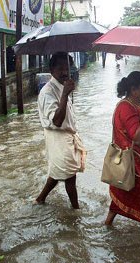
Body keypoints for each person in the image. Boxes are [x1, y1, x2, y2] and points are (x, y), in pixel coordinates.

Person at [104, 71, 140, 239]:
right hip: (134, 163)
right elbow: (138, 137)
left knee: (124, 192)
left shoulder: (136, 106)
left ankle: (108, 224)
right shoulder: (126, 107)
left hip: (139, 161)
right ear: (134, 90)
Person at [35, 52, 86, 209]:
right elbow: (56, 121)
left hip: (67, 135)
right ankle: (76, 210)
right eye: (61, 68)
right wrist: (65, 94)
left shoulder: (63, 86)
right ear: (51, 70)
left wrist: (66, 92)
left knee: (59, 171)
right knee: (70, 175)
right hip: (58, 137)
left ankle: (40, 199)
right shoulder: (47, 92)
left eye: (67, 68)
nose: (65, 72)